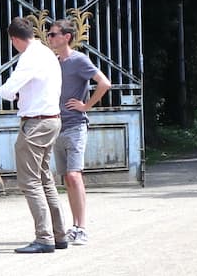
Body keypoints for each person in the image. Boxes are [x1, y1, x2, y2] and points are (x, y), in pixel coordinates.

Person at [0, 16, 67, 254]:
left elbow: (8, 89)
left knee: (30, 181)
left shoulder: (29, 57)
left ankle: (44, 237)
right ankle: (59, 234)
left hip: (35, 124)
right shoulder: (46, 53)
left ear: (14, 39)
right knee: (45, 179)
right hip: (52, 121)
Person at [47, 18, 111, 246]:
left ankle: (82, 227)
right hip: (57, 125)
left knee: (74, 175)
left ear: (67, 37)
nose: (50, 37)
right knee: (67, 179)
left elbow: (104, 83)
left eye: (54, 34)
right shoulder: (54, 62)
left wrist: (86, 105)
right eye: (49, 34)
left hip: (75, 124)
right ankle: (74, 226)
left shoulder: (79, 60)